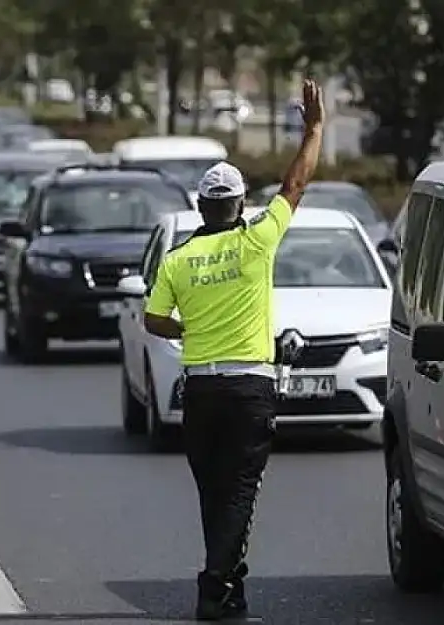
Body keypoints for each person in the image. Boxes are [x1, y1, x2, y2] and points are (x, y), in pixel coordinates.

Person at [142, 80, 325, 621]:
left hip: (199, 387)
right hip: (250, 387)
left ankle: (230, 586)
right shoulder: (256, 241)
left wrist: (189, 330)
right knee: (241, 492)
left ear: (201, 206)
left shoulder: (178, 259)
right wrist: (313, 129)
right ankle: (212, 585)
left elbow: (153, 320)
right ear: (241, 204)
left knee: (214, 492)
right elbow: (295, 184)